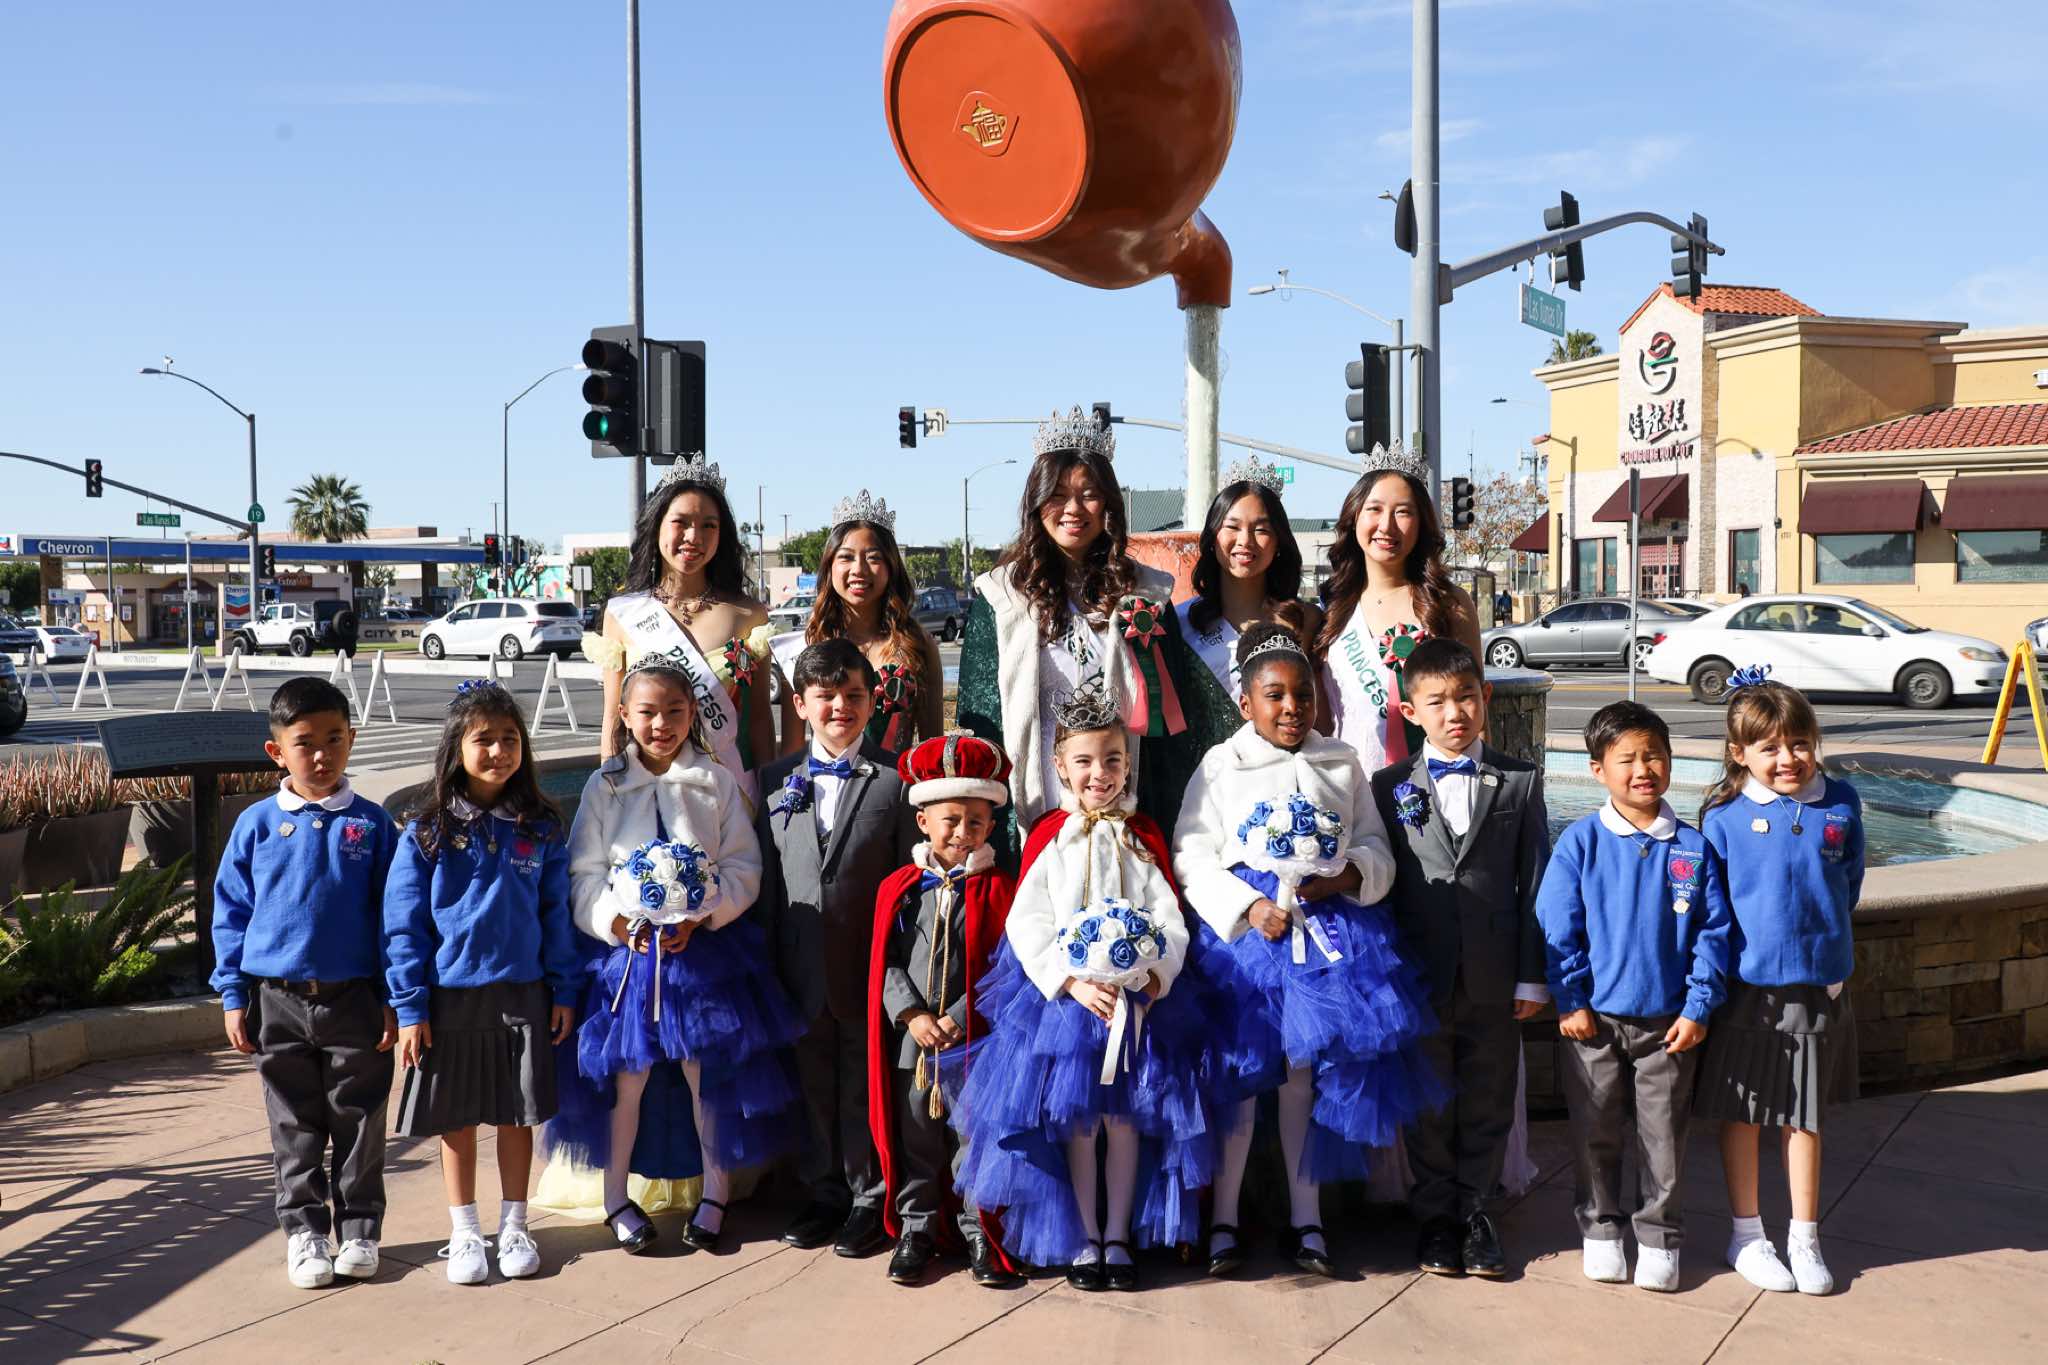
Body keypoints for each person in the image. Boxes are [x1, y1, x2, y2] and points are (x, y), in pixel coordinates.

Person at [1176, 623, 1440, 1280]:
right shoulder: (1221, 765)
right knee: (1243, 1081)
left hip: (1327, 938)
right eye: (1275, 696)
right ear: (1247, 703)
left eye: (1303, 695)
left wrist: (1347, 874)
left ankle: (1307, 1218)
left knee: (1302, 1077)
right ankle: (1225, 1219)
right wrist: (1245, 905)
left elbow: (1375, 845)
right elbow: (1192, 853)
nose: (1292, 707)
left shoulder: (1340, 761)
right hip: (1248, 947)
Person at [954, 691, 1213, 1291]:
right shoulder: (1051, 837)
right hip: (1066, 1011)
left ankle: (1118, 1236)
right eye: (1086, 761)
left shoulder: (1140, 837)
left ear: (1128, 764)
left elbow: (1168, 918)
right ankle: (1085, 1235)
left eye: (1113, 760)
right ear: (1061, 766)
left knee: (1123, 1121)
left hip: (1137, 1005)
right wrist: (1068, 980)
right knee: (1078, 1124)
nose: (1101, 774)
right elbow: (1028, 921)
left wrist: (1155, 974)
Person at [554, 661, 803, 1257]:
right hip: (628, 961)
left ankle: (715, 1193)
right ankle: (616, 1196)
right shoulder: (605, 786)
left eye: (674, 711)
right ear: (624, 716)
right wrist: (614, 923)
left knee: (703, 1074)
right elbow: (584, 871)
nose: (661, 724)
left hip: (702, 957)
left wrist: (703, 914)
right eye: (647, 712)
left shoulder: (713, 781)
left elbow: (743, 864)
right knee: (627, 1078)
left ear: (693, 714)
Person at [383, 679, 583, 1284]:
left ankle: (515, 1224)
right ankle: (465, 1230)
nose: (498, 751)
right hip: (450, 999)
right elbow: (403, 925)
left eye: (509, 738)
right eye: (483, 739)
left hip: (524, 993)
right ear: (456, 748)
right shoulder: (426, 829)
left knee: (518, 1114)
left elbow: (557, 914)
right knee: (458, 1117)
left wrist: (563, 988)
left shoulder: (540, 827)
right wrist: (411, 1007)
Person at [955, 407, 1222, 854]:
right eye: (1058, 495)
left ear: (1109, 505)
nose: (1073, 509)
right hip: (1037, 801)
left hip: (1123, 797)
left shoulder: (1146, 596)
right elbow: (980, 720)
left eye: (1089, 495)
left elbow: (1170, 733)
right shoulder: (1001, 598)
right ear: (1037, 502)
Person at [1535, 701, 1732, 1293]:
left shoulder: (1693, 848)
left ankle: (1659, 1237)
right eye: (1627, 759)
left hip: (1668, 1025)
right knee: (1594, 1128)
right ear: (1598, 769)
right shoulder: (1580, 842)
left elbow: (1713, 934)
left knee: (1663, 1136)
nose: (1643, 769)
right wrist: (1570, 999)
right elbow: (1557, 925)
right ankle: (1600, 1229)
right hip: (1592, 1022)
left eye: (1655, 756)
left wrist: (1698, 1007)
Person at [1369, 637, 1550, 1280]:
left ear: (1486, 697)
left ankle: (1477, 1214)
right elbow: (1383, 885)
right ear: (1410, 711)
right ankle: (1436, 1219)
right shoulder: (1388, 786)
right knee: (1428, 1103)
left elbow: (1535, 884)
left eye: (1466, 697)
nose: (1455, 713)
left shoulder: (1520, 781)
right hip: (1420, 975)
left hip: (1495, 976)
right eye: (1438, 701)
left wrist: (1532, 976)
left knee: (1487, 1098)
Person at [211, 677, 399, 1289]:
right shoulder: (257, 825)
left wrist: (393, 997)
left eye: (335, 739)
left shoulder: (373, 825)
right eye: (306, 743)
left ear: (352, 740)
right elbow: (231, 913)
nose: (322, 755)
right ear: (277, 752)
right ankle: (305, 1232)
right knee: (293, 1122)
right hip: (278, 1000)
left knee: (360, 1119)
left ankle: (361, 1230)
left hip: (355, 1000)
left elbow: (394, 918)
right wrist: (233, 994)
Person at [1695, 676, 1863, 1296]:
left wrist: (1827, 953)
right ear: (1739, 753)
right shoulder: (1724, 818)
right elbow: (1712, 909)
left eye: (1799, 743)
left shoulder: (1841, 803)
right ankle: (1746, 1234)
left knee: (1804, 1116)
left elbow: (1849, 883)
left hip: (1817, 986)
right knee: (1743, 1113)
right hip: (1747, 991)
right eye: (1769, 748)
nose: (1788, 758)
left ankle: (1804, 1238)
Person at [754, 639, 918, 1259]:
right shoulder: (775, 781)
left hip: (867, 965)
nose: (840, 708)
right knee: (813, 1084)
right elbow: (770, 884)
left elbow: (907, 885)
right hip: (799, 966)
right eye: (826, 696)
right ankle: (823, 1191)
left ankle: (868, 1198)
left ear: (873, 701)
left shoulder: (896, 781)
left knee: (861, 1084)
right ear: (800, 704)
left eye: (853, 695)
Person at [865, 732, 1022, 1288]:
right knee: (917, 1140)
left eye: (976, 821)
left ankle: (977, 1229)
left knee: (971, 1140)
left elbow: (1007, 965)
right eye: (950, 819)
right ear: (923, 821)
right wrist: (912, 1015)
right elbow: (885, 961)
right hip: (915, 1044)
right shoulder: (901, 888)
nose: (962, 831)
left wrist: (959, 1014)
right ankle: (917, 1228)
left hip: (972, 1042)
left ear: (991, 825)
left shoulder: (1000, 889)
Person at [582, 458, 775, 786]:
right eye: (680, 522)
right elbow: (614, 720)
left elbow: (759, 721)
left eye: (709, 525)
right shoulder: (624, 613)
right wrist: (610, 792)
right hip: (647, 792)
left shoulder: (749, 614)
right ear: (657, 525)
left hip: (727, 795)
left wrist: (770, 797)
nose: (694, 537)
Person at [771, 491, 945, 755]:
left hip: (897, 781)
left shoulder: (917, 644)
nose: (859, 570)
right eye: (846, 557)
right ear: (829, 566)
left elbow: (933, 743)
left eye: (873, 558)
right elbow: (792, 751)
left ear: (891, 567)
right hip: (824, 781)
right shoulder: (806, 645)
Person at [1176, 456, 1320, 703]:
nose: (1245, 541)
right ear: (1213, 537)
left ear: (1279, 542)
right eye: (1232, 527)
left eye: (1261, 530)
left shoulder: (1306, 620)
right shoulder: (1181, 622)